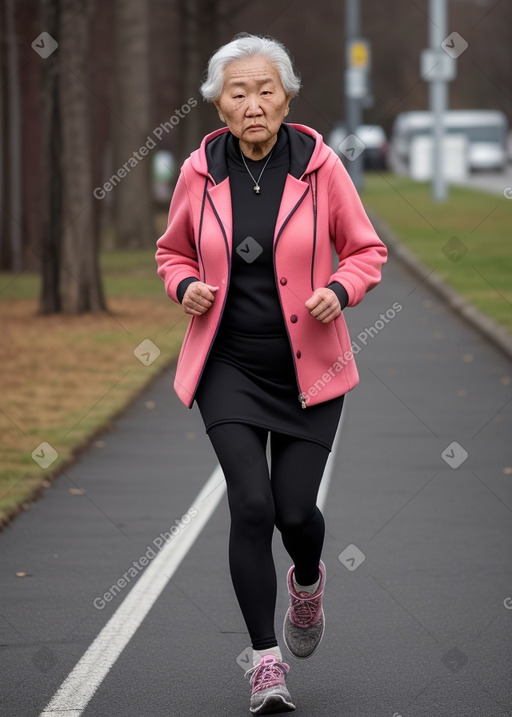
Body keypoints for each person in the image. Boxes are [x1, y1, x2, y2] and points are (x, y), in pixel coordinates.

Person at [155, 33, 387, 715]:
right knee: (250, 504)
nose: (253, 104)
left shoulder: (319, 166)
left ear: (286, 97)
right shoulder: (201, 171)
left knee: (294, 512)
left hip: (310, 366)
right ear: (218, 105)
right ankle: (264, 661)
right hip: (229, 363)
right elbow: (172, 253)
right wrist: (185, 286)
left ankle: (308, 581)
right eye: (238, 91)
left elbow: (365, 250)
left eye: (265, 90)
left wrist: (340, 290)